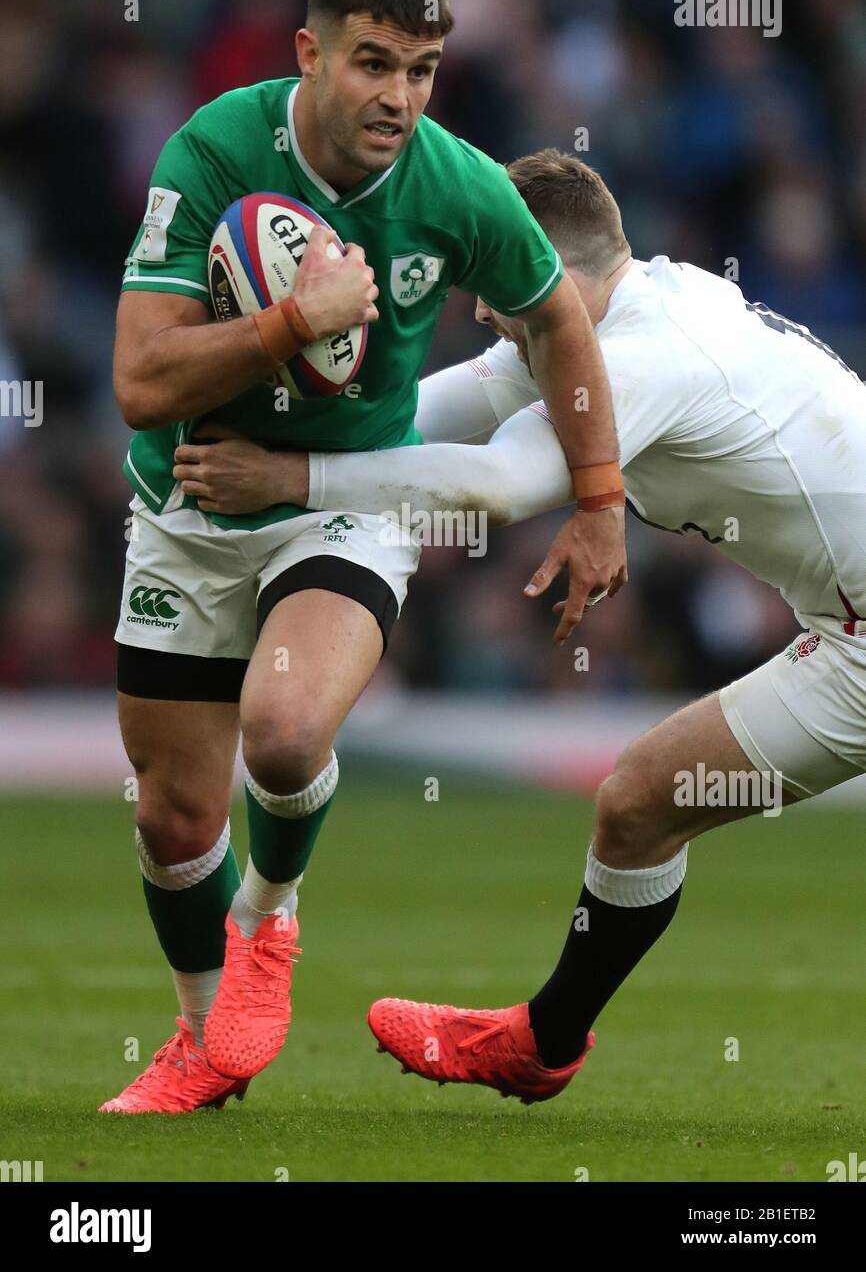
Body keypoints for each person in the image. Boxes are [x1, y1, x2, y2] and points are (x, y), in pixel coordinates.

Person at [185, 149, 866, 1104]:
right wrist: (275, 406)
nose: (479, 308)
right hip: (845, 625)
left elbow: (497, 485)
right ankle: (542, 1044)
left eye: (500, 277)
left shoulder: (643, 356)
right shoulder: (612, 315)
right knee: (637, 806)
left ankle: (541, 1044)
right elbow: (426, 420)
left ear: (557, 268)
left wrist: (291, 481)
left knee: (638, 800)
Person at [104, 0, 626, 1114]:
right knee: (172, 810)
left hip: (344, 494)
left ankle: (270, 919)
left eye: (424, 70)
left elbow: (557, 323)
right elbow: (140, 380)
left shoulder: (460, 185)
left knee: (283, 734)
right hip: (188, 496)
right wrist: (294, 320)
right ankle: (203, 1043)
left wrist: (597, 502)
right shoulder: (212, 150)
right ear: (310, 53)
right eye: (373, 63)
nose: (399, 96)